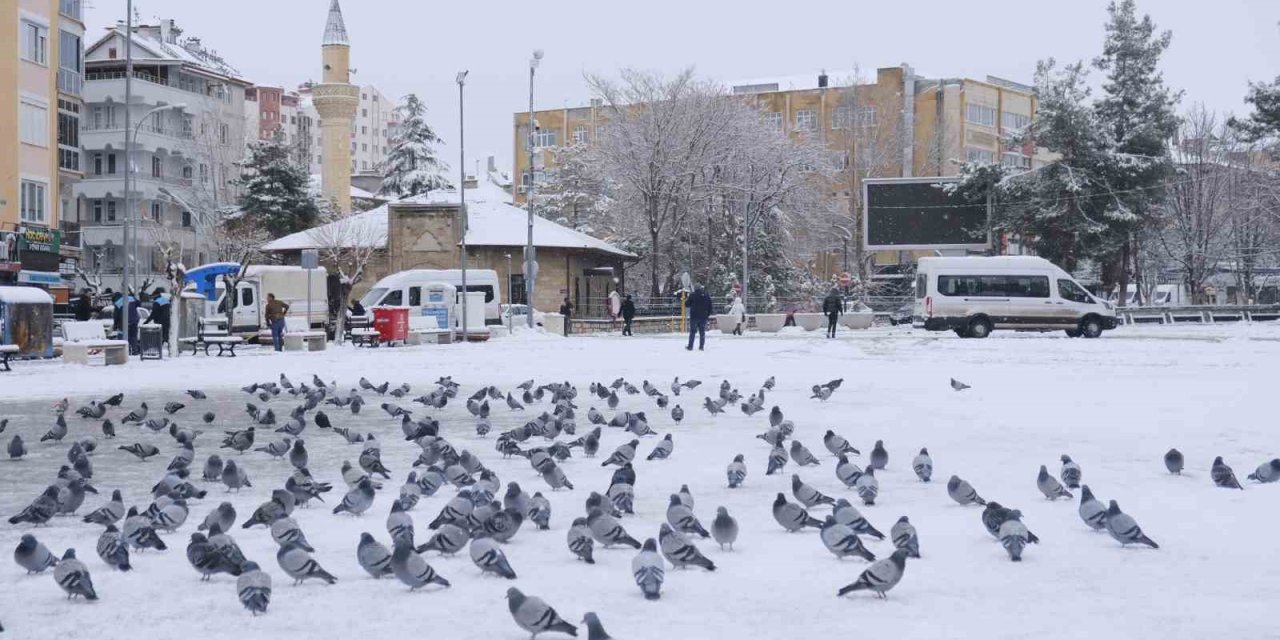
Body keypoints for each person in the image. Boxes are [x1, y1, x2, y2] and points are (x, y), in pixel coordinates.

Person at [685, 285, 713, 351]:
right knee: (702, 332)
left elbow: (687, 304)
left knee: (692, 332)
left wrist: (688, 299)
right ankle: (701, 346)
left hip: (694, 317)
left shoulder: (692, 295)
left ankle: (690, 346)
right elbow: (710, 306)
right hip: (703, 317)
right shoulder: (706, 295)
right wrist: (707, 315)